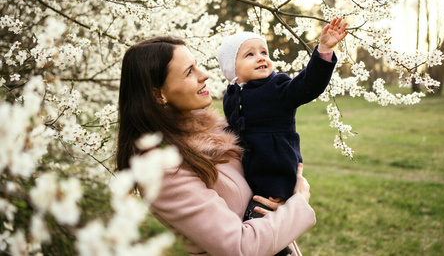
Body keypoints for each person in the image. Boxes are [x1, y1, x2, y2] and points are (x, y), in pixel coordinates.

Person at [116, 36, 315, 256]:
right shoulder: (161, 167)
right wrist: (298, 203)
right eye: (189, 71)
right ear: (157, 94)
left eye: (197, 65)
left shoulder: (214, 131)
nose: (205, 75)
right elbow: (239, 247)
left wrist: (281, 199)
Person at [217, 18, 348, 255]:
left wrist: (324, 51)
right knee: (250, 219)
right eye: (249, 54)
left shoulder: (278, 86)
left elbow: (308, 85)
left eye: (264, 52)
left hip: (276, 173)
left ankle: (281, 250)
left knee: (261, 220)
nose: (261, 57)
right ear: (231, 68)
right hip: (251, 174)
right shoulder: (231, 96)